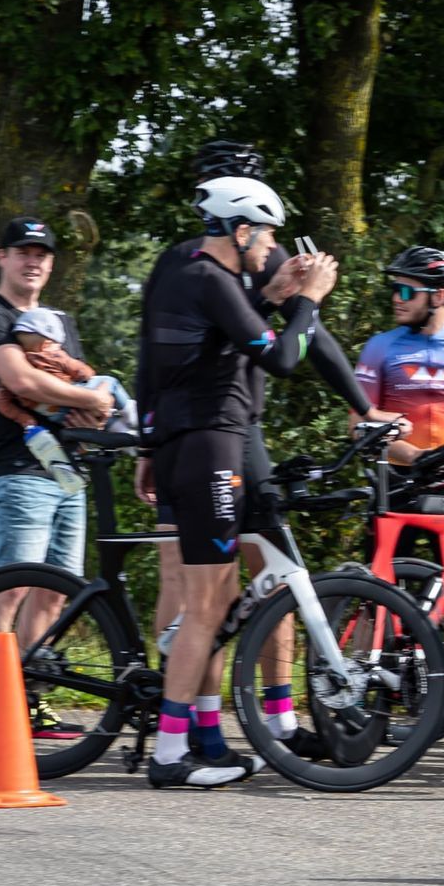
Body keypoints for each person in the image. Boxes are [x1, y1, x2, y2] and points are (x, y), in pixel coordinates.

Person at [137, 140, 402, 748]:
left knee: (273, 567)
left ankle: (276, 722)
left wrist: (363, 407)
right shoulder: (184, 263)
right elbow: (156, 357)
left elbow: (314, 339)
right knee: (198, 587)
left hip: (232, 429)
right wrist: (148, 444)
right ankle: (199, 727)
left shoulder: (266, 250)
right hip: (203, 429)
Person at [136, 174, 337, 788]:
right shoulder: (212, 280)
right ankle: (171, 756)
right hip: (211, 449)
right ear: (241, 229)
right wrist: (310, 301)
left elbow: (207, 346)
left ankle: (193, 740)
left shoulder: (198, 275)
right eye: (267, 232)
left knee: (210, 605)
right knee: (204, 610)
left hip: (182, 447)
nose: (272, 242)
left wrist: (277, 291)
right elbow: (281, 358)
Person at [0, 217, 118, 737]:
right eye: (23, 251)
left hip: (67, 470)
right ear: (2, 258)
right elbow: (22, 379)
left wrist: (90, 406)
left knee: (56, 594)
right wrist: (91, 398)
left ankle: (27, 698)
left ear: (51, 265)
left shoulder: (60, 321)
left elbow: (81, 391)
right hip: (19, 469)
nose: (33, 261)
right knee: (10, 586)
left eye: (43, 254)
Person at [351, 247, 444, 465]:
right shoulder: (379, 346)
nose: (396, 299)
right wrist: (416, 458)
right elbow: (358, 423)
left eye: (406, 292)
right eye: (395, 289)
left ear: (439, 296)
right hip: (397, 483)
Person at [0, 308, 135, 435]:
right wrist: (88, 373)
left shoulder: (16, 367)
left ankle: (124, 433)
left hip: (55, 415)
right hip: (74, 396)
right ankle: (131, 413)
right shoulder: (53, 354)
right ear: (47, 343)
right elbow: (82, 373)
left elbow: (0, 401)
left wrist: (22, 417)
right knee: (109, 382)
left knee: (92, 414)